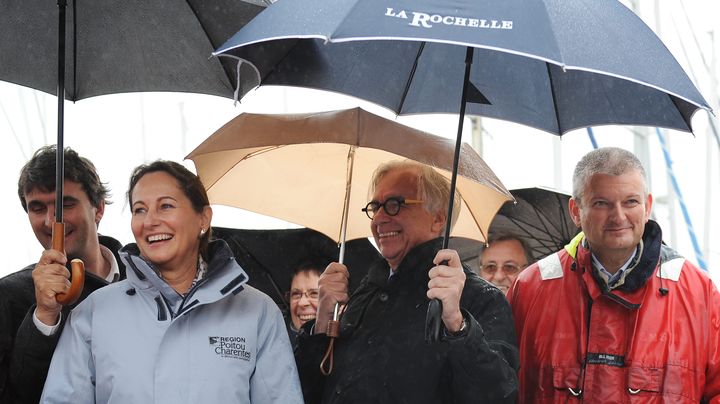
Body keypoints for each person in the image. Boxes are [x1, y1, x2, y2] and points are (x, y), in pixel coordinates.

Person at [40, 160, 302, 403]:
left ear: (204, 217)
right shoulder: (94, 313)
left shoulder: (257, 312)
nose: (150, 221)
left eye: (165, 206)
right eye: (139, 210)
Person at [295, 160, 519, 403]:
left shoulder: (479, 297)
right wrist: (323, 323)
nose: (379, 218)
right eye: (375, 206)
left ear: (438, 219)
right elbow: (307, 391)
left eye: (394, 205)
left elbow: (498, 394)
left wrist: (457, 325)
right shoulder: (366, 291)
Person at [508, 147, 720, 403]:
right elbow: (502, 387)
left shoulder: (699, 293)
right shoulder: (531, 289)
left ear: (648, 206)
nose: (618, 216)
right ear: (575, 211)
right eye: (601, 203)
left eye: (630, 201)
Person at [0, 145, 125, 404]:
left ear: (98, 208)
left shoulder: (146, 281)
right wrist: (43, 317)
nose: (49, 221)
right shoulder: (9, 296)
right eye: (36, 208)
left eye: (65, 205)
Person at [286, 262, 322, 336]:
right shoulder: (275, 341)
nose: (302, 302)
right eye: (296, 294)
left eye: (314, 293)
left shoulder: (350, 344)